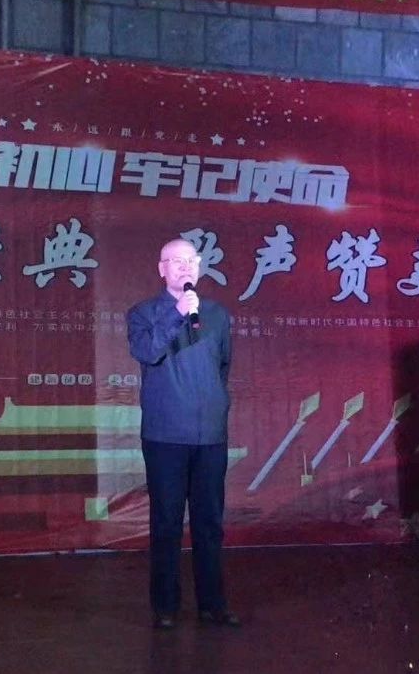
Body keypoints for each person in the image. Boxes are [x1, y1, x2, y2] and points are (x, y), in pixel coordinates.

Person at [126, 238, 240, 630]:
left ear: (200, 266)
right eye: (176, 261)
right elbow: (148, 352)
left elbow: (223, 365)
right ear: (162, 269)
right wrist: (177, 314)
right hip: (165, 435)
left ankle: (213, 604)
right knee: (167, 522)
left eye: (191, 260)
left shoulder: (217, 314)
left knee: (209, 523)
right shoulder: (143, 313)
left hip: (209, 435)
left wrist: (215, 404)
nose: (185, 267)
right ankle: (166, 606)